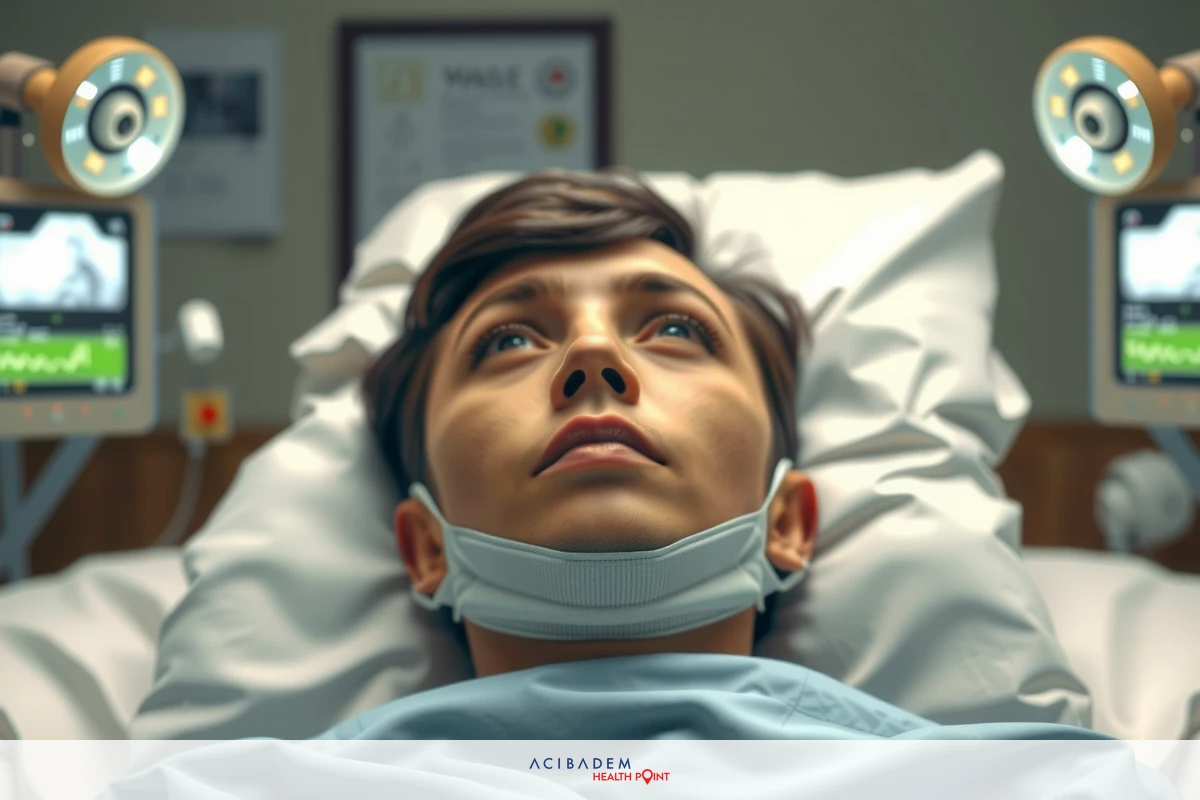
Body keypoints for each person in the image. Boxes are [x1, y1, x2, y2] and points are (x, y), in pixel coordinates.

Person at [361, 167, 820, 679]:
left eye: (674, 329)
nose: (592, 351)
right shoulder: (279, 764)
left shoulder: (919, 761)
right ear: (428, 548)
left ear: (787, 522)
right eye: (509, 342)